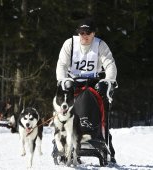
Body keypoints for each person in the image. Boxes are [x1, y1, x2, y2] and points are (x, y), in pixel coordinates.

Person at [56, 18, 117, 163]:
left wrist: (108, 81)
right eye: (81, 32)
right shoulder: (69, 44)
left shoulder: (100, 45)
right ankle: (63, 137)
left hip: (93, 82)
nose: (84, 35)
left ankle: (99, 136)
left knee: (98, 99)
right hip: (73, 82)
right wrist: (63, 81)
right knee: (64, 103)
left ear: (93, 33)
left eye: (88, 32)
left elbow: (110, 65)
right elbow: (61, 65)